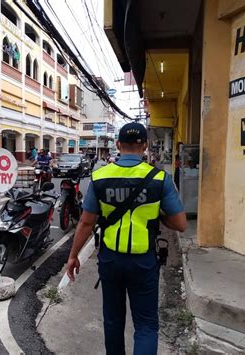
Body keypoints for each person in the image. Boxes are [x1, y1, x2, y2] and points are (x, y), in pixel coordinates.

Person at [66, 122, 186, 355]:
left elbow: (86, 222)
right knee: (146, 325)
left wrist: (73, 256)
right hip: (144, 261)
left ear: (118, 145)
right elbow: (180, 224)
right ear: (145, 146)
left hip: (111, 259)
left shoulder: (100, 177)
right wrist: (155, 213)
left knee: (113, 320)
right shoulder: (160, 179)